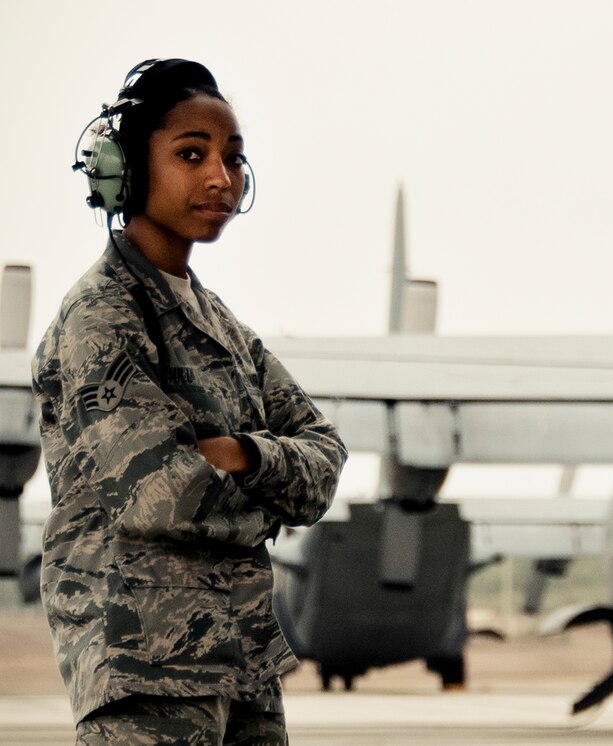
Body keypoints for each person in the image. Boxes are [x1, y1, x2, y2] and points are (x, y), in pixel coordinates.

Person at [32, 58, 347, 744]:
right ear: (127, 170)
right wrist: (271, 492)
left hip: (244, 666)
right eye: (191, 154)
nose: (220, 178)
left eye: (233, 159)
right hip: (144, 666)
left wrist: (240, 455)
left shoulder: (222, 325)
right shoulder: (103, 315)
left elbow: (325, 455)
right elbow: (160, 496)